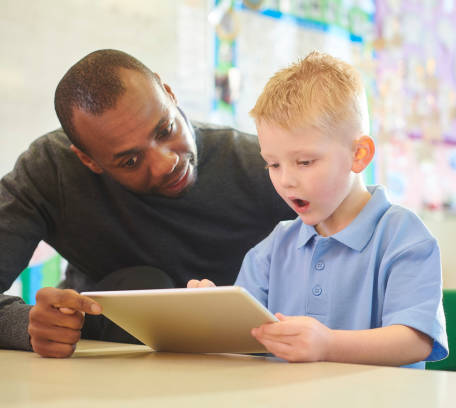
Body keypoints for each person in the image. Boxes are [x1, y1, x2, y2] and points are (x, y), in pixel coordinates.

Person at [0, 49, 294, 358]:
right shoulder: (50, 171)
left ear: (168, 93)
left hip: (241, 360)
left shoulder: (262, 166)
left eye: (165, 130)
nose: (166, 163)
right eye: (130, 160)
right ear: (89, 161)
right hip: (104, 361)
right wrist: (27, 325)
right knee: (143, 283)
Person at [189, 51, 448, 367]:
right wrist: (209, 316)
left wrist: (328, 345)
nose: (286, 181)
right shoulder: (273, 248)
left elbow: (415, 342)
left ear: (359, 154)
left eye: (304, 162)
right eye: (272, 164)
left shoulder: (403, 236)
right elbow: (245, 337)